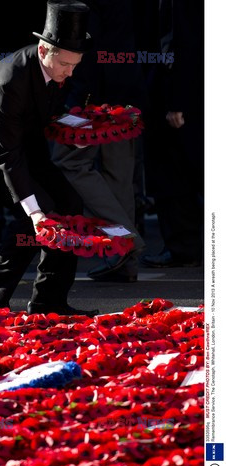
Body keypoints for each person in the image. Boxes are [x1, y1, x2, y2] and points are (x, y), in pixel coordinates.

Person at [0, 0, 99, 316]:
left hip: (24, 146)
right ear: (44, 51)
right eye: (65, 65)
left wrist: (82, 132)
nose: (70, 73)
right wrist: (35, 212)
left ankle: (49, 299)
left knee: (70, 205)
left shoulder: (56, 69)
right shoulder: (8, 81)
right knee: (35, 215)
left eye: (75, 65)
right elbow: (6, 153)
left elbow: (51, 113)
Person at [50, 0, 147, 283]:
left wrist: (76, 98)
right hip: (128, 86)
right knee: (119, 175)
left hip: (94, 94)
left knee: (67, 160)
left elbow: (88, 41)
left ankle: (126, 239)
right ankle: (124, 259)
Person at [136, 0, 204, 268]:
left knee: (174, 176)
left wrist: (175, 101)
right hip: (190, 91)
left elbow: (176, 43)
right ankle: (184, 247)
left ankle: (182, 248)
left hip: (176, 96)